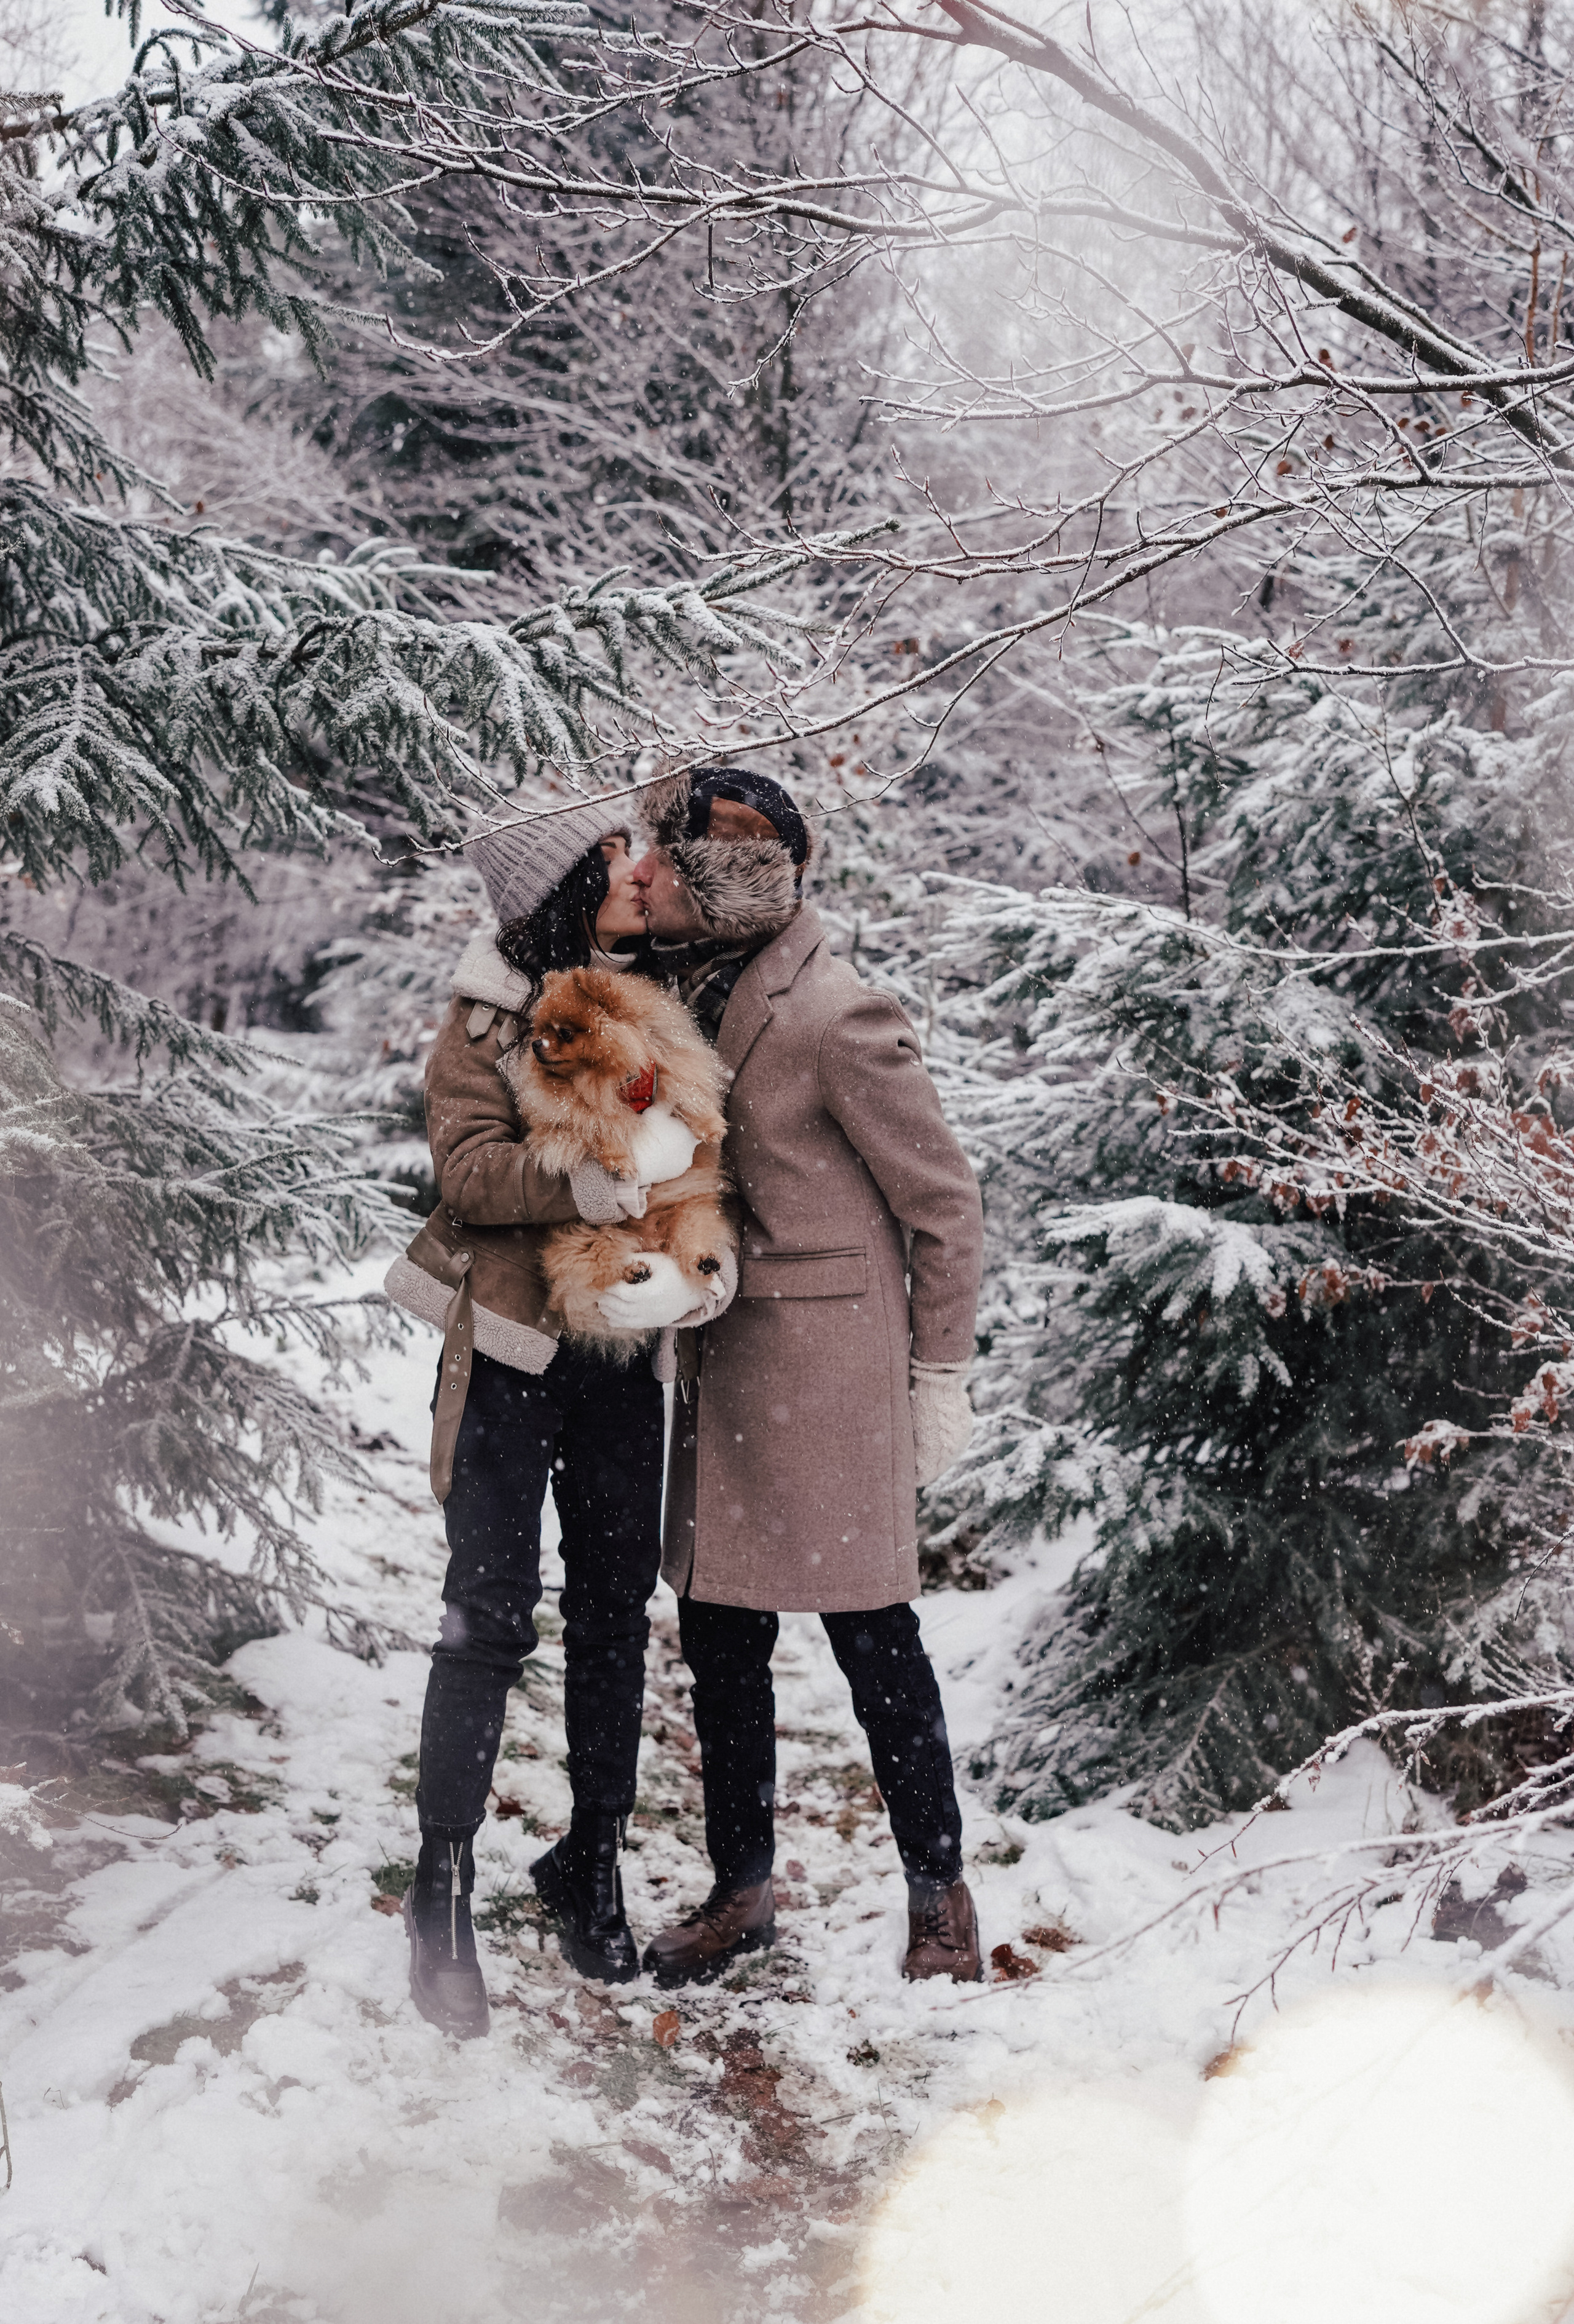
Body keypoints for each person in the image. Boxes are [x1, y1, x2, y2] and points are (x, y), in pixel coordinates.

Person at [627, 767, 987, 1985]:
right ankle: (741, 1892)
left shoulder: (835, 1012)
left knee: (875, 1645)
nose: (649, 885)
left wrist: (936, 1373)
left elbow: (943, 1207)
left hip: (826, 1384)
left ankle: (940, 1896)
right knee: (717, 1646)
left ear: (722, 891)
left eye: (670, 870)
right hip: (716, 1369)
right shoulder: (668, 992)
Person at [383, 800, 727, 2037]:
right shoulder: (480, 1019)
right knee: (484, 1623)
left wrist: (695, 1251)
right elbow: (468, 1175)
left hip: (621, 1360)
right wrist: (587, 1174)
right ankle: (443, 1883)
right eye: (614, 861)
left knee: (610, 1621)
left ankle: (590, 1860)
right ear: (561, 891)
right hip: (512, 1357)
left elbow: (692, 1159)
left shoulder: (656, 1006)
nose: (640, 874)